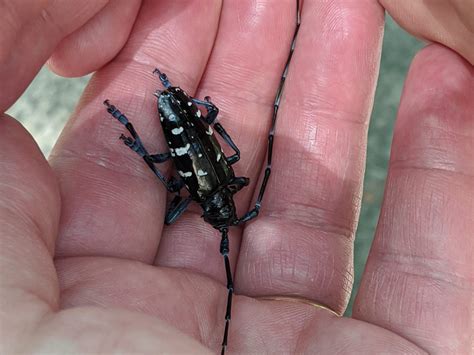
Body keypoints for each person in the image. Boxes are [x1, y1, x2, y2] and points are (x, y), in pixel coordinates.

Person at [1, 1, 472, 353]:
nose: (224, 220)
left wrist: (168, 131)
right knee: (173, 177)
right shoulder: (206, 191)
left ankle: (135, 126)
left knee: (182, 173)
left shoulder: (225, 181)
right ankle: (138, 125)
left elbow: (218, 168)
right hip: (182, 113)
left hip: (182, 115)